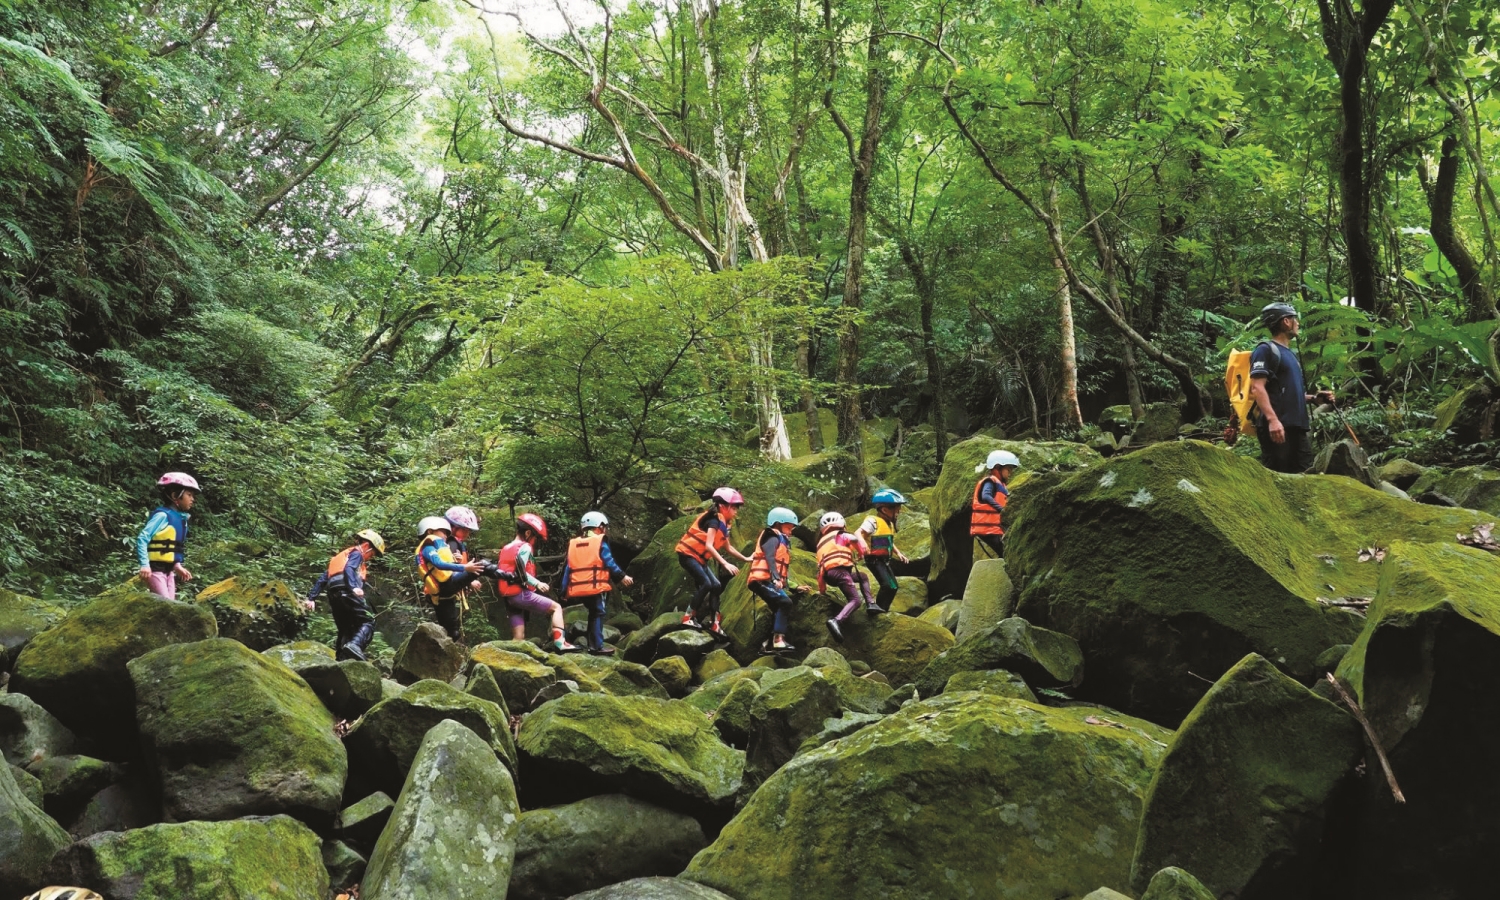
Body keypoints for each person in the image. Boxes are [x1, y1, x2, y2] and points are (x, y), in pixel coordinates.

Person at [1250, 302, 1335, 474]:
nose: (1298, 323)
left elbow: (1286, 392)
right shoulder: (1265, 350)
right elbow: (1257, 388)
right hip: (1277, 427)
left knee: (1305, 476)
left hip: (1297, 428)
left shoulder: (1290, 354)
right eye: (1294, 319)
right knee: (1278, 478)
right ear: (1286, 321)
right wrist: (1273, 421)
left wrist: (1314, 398)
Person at [674, 487, 752, 637]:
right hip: (688, 555)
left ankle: (715, 623)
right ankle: (688, 617)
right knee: (707, 584)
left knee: (716, 585)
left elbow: (728, 547)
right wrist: (725, 563)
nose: (736, 511)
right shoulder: (713, 520)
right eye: (734, 508)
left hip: (699, 559)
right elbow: (709, 545)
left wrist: (746, 558)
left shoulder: (725, 523)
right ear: (722, 506)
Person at [499, 513, 579, 652]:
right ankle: (560, 643)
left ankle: (510, 657)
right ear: (528, 533)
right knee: (556, 608)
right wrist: (537, 583)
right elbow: (521, 572)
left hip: (509, 597)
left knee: (518, 637)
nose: (535, 541)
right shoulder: (525, 547)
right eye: (535, 537)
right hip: (520, 594)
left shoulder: (506, 547)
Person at [561, 511, 634, 655]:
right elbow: (609, 562)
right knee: (598, 613)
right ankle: (596, 647)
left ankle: (592, 644)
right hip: (595, 587)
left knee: (593, 613)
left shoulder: (574, 544)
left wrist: (563, 591)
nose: (605, 530)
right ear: (599, 526)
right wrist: (622, 576)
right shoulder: (599, 542)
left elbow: (568, 569)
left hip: (579, 588)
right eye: (604, 526)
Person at [308, 529, 386, 661]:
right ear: (367, 545)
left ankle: (341, 658)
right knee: (368, 620)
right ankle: (355, 645)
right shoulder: (357, 554)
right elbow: (349, 568)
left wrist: (311, 598)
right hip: (347, 591)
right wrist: (354, 587)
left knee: (346, 628)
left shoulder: (341, 558)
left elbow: (323, 578)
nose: (371, 557)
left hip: (334, 595)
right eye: (372, 553)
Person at [415, 511, 488, 640]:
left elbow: (448, 565)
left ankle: (450, 647)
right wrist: (466, 571)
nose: (446, 535)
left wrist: (458, 563)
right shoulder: (435, 545)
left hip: (445, 590)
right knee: (449, 628)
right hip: (443, 589)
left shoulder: (446, 544)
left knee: (450, 628)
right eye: (465, 530)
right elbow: (440, 565)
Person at [747, 507, 804, 654]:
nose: (791, 532)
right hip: (761, 581)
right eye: (789, 528)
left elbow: (781, 568)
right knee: (785, 603)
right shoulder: (771, 537)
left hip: (768, 581)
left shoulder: (781, 540)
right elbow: (770, 557)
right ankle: (778, 641)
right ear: (778, 524)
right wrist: (775, 578)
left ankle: (766, 645)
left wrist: (794, 587)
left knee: (779, 609)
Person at [135, 472, 200, 599]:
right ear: (175, 495)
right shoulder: (162, 516)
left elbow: (173, 549)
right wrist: (145, 565)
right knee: (166, 605)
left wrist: (177, 566)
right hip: (155, 570)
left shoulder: (180, 519)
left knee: (171, 605)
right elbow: (143, 538)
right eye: (189, 495)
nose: (193, 499)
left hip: (169, 571)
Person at [820, 511, 876, 642]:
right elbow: (854, 539)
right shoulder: (841, 535)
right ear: (842, 525)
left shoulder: (822, 543)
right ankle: (836, 620)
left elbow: (820, 571)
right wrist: (861, 552)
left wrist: (822, 590)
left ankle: (871, 603)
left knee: (862, 576)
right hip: (840, 573)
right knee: (855, 600)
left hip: (830, 576)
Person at [859, 488, 910, 612]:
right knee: (887, 585)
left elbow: (888, 542)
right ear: (885, 509)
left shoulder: (889, 524)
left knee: (893, 586)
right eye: (897, 510)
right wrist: (863, 544)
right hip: (874, 559)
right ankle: (877, 609)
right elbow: (858, 533)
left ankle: (883, 609)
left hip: (884, 560)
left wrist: (898, 553)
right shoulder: (873, 521)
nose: (898, 512)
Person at [971, 450, 1019, 559]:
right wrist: (1002, 510)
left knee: (1009, 553)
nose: (1010, 473)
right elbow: (986, 496)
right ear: (997, 467)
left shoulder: (1001, 485)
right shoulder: (990, 482)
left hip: (994, 529)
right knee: (1007, 554)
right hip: (987, 530)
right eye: (1008, 469)